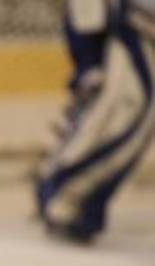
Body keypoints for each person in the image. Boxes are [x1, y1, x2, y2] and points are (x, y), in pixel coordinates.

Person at [35, 0, 155, 243]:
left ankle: (67, 192)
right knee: (123, 113)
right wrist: (88, 61)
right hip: (132, 26)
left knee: (128, 112)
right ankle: (67, 193)